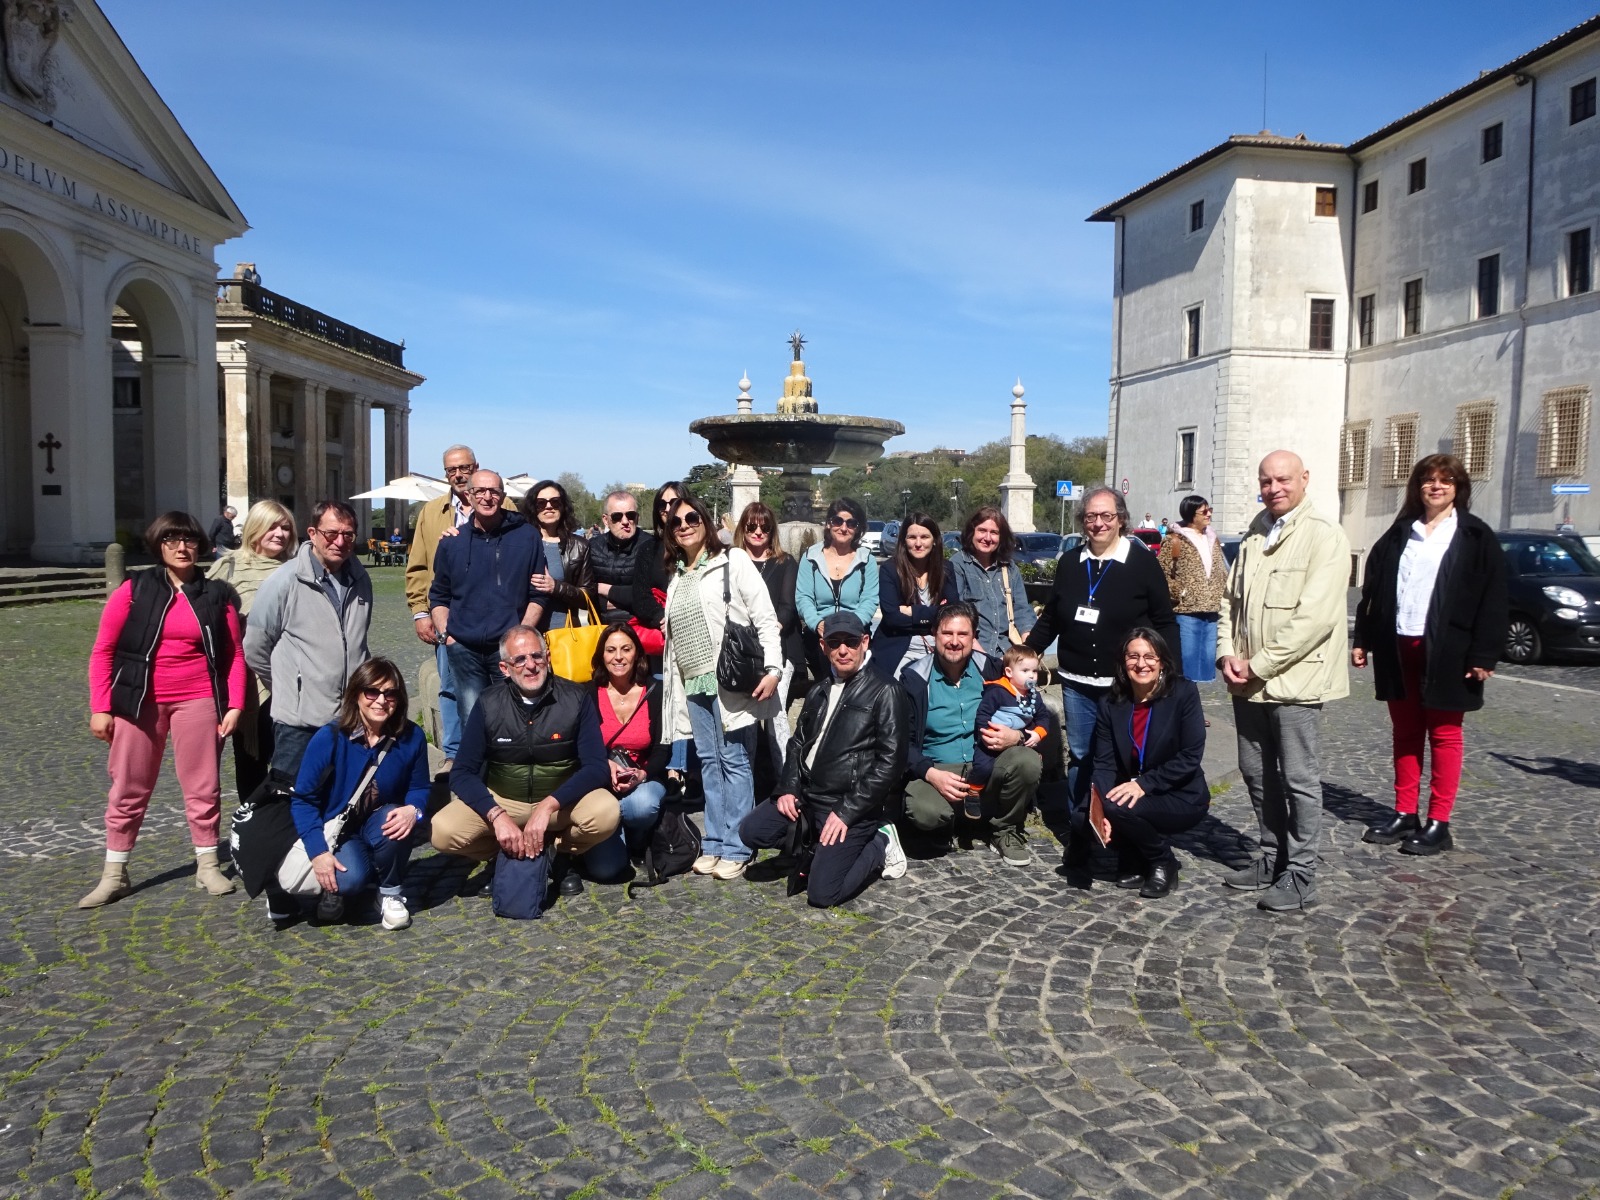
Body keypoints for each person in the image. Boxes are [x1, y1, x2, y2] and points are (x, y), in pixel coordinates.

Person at [82, 511, 245, 907]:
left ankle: (207, 866)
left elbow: (234, 654)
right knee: (128, 786)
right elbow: (103, 650)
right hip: (139, 701)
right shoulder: (134, 589)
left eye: (189, 540)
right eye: (172, 540)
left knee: (203, 786)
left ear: (200, 545)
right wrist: (100, 706)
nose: (182, 547)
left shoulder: (217, 594)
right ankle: (115, 873)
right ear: (159, 545)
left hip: (198, 699)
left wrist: (235, 703)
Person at [1351, 454, 1508, 856]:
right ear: (1417, 486)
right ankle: (1406, 813)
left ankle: (1440, 821)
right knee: (1405, 733)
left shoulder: (1475, 536)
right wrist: (1363, 640)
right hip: (1398, 645)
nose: (1436, 486)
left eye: (1446, 480)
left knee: (1444, 735)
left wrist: (1484, 654)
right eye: (1428, 479)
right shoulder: (1401, 533)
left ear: (1458, 487)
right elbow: (1374, 591)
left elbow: (1494, 599)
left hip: (1449, 651)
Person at [1217, 449, 1351, 912]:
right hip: (1248, 679)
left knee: (1297, 778)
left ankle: (1301, 872)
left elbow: (1313, 618)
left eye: (1282, 479)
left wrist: (1259, 664)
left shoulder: (1324, 537)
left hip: (1295, 680)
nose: (1273, 488)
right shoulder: (1256, 533)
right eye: (1266, 480)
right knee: (1256, 773)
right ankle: (1271, 856)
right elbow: (1228, 603)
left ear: (1304, 479)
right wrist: (1227, 653)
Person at [1027, 485, 1178, 863]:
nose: (1098, 523)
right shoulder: (1070, 562)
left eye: (1106, 516)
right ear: (1082, 521)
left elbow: (1163, 621)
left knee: (1128, 759)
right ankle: (1081, 830)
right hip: (1077, 681)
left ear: (1121, 520)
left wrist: (1170, 673)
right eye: (1091, 517)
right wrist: (1026, 653)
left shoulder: (1140, 562)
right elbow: (1055, 617)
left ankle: (1127, 832)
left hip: (1125, 685)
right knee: (1081, 756)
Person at [433, 626, 620, 900]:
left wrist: (549, 805)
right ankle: (506, 853)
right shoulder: (488, 703)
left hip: (560, 801)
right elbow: (461, 773)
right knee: (442, 831)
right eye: (519, 659)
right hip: (506, 799)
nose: (530, 665)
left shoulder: (575, 698)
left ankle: (558, 852)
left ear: (548, 657)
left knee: (606, 812)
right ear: (504, 668)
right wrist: (497, 817)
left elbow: (596, 767)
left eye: (536, 656)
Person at [739, 612, 909, 907]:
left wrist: (847, 811)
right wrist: (789, 788)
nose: (843, 650)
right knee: (751, 831)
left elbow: (890, 763)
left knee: (822, 894)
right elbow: (797, 744)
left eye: (850, 642)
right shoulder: (819, 690)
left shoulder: (886, 691)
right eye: (834, 642)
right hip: (808, 797)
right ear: (823, 647)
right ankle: (821, 842)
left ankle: (880, 842)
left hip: (849, 805)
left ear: (864, 642)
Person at [660, 492, 783, 880]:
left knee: (735, 761)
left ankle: (738, 844)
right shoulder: (677, 575)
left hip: (730, 680)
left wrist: (774, 668)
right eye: (676, 522)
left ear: (706, 521)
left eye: (692, 518)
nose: (684, 526)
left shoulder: (734, 560)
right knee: (710, 763)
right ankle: (714, 841)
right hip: (692, 681)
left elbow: (765, 616)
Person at [279, 658, 430, 930]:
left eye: (390, 693)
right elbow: (303, 801)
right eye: (372, 692)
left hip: (378, 820)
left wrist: (414, 811)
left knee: (396, 820)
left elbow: (419, 788)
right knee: (349, 880)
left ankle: (389, 893)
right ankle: (344, 886)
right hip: (337, 828)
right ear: (356, 695)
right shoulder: (330, 737)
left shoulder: (411, 736)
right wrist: (318, 853)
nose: (381, 701)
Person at [899, 603, 1042, 864]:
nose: (954, 642)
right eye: (947, 633)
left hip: (987, 764)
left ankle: (1005, 831)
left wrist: (1018, 736)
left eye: (962, 634)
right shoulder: (914, 678)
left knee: (1027, 761)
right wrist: (931, 773)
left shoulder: (993, 669)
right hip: (940, 768)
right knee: (925, 812)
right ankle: (952, 822)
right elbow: (899, 741)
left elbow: (1033, 707)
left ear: (974, 635)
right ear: (934, 634)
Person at [244, 500, 373, 783]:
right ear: (312, 533)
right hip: (299, 723)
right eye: (331, 533)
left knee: (342, 798)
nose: (340, 541)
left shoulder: (361, 579)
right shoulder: (284, 581)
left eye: (348, 534)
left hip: (350, 718)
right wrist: (291, 686)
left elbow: (358, 641)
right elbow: (255, 647)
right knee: (290, 801)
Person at [1092, 628, 1209, 899]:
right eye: (1133, 656)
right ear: (1123, 662)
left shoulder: (1183, 693)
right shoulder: (1110, 703)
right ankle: (1134, 857)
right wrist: (1098, 813)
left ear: (1162, 662)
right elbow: (1104, 762)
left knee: (1121, 806)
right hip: (1134, 791)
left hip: (1181, 794)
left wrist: (1145, 784)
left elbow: (1191, 754)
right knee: (1085, 816)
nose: (1141, 663)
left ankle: (1162, 861)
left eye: (1149, 656)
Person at [428, 470, 548, 729]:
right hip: (464, 648)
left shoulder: (527, 537)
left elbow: (538, 594)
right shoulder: (453, 542)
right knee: (472, 719)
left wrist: (520, 636)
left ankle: (511, 769)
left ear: (502, 496)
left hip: (508, 650)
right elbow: (438, 595)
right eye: (479, 491)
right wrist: (447, 634)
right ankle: (475, 769)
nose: (487, 497)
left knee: (515, 719)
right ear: (468, 497)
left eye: (493, 491)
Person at [405, 444, 490, 767]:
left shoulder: (501, 503)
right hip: (447, 618)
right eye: (451, 470)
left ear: (475, 466)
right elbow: (417, 568)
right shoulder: (432, 512)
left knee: (495, 687)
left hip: (491, 617)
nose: (458, 475)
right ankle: (455, 755)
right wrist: (421, 612)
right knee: (450, 687)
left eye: (464, 468)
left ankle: (493, 753)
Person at [208, 499, 297, 801]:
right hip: (245, 680)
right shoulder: (228, 567)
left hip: (292, 677)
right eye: (272, 526)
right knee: (250, 760)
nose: (280, 533)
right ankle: (252, 825)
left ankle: (287, 828)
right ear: (255, 528)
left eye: (285, 527)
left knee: (293, 759)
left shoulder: (299, 569)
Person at [582, 622, 670, 880]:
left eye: (625, 649)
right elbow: (581, 747)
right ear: (602, 656)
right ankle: (611, 828)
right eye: (610, 650)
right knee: (605, 869)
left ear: (637, 654)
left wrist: (641, 774)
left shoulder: (655, 691)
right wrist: (603, 766)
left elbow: (662, 749)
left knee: (641, 806)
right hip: (602, 784)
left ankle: (637, 835)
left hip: (644, 780)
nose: (618, 657)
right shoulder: (587, 693)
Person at [734, 501, 802, 777]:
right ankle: (746, 781)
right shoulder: (732, 561)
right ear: (743, 528)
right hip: (743, 651)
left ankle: (786, 779)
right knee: (746, 719)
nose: (758, 532)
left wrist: (769, 628)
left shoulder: (785, 562)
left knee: (775, 715)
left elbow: (787, 606)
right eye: (751, 526)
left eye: (764, 527)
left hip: (779, 649)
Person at [794, 497, 879, 685]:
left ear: (858, 528)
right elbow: (803, 597)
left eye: (851, 523)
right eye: (838, 521)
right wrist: (817, 623)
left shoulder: (866, 560)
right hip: (819, 635)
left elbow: (870, 600)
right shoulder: (811, 557)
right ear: (828, 524)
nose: (843, 528)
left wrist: (850, 626)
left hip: (854, 634)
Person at [874, 511, 959, 681]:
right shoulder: (890, 570)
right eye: (912, 537)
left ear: (934, 540)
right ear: (904, 541)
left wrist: (911, 612)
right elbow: (892, 618)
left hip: (939, 648)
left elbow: (952, 612)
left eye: (925, 537)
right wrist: (935, 614)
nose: (918, 543)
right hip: (899, 647)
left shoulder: (946, 569)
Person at [1156, 495, 1228, 684]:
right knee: (1187, 665)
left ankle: (1202, 707)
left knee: (1207, 665)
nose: (1209, 514)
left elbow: (1220, 571)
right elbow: (1161, 574)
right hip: (1186, 611)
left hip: (1212, 610)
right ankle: (1185, 703)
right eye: (1204, 511)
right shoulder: (1174, 540)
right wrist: (1179, 593)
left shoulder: (1212, 538)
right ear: (1191, 514)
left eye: (1209, 509)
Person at [948, 506, 1035, 661]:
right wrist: (984, 659)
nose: (987, 538)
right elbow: (956, 616)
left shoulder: (1009, 568)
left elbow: (1022, 609)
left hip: (1006, 653)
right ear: (972, 532)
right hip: (973, 654)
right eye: (982, 530)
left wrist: (1027, 640)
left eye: (994, 533)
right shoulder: (958, 565)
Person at [968, 645, 1052, 799]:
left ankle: (1026, 800)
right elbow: (983, 715)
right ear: (1009, 672)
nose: (1032, 676)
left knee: (1033, 762)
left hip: (1019, 740)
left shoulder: (1033, 695)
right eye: (1025, 671)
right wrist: (988, 734)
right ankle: (974, 791)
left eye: (1034, 671)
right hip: (991, 740)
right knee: (983, 767)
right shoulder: (998, 691)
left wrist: (1039, 733)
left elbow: (1043, 716)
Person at [525, 479, 594, 630]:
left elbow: (588, 598)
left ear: (563, 506)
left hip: (564, 637)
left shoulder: (579, 546)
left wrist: (556, 587)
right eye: (541, 503)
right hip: (526, 634)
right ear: (533, 507)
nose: (548, 506)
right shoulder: (521, 543)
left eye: (555, 502)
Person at [588, 490, 650, 623]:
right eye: (617, 516)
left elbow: (651, 595)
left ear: (637, 517)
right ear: (606, 520)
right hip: (601, 628)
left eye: (631, 515)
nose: (625, 521)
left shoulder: (651, 546)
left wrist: (603, 589)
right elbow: (584, 590)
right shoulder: (592, 547)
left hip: (641, 629)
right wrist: (605, 603)